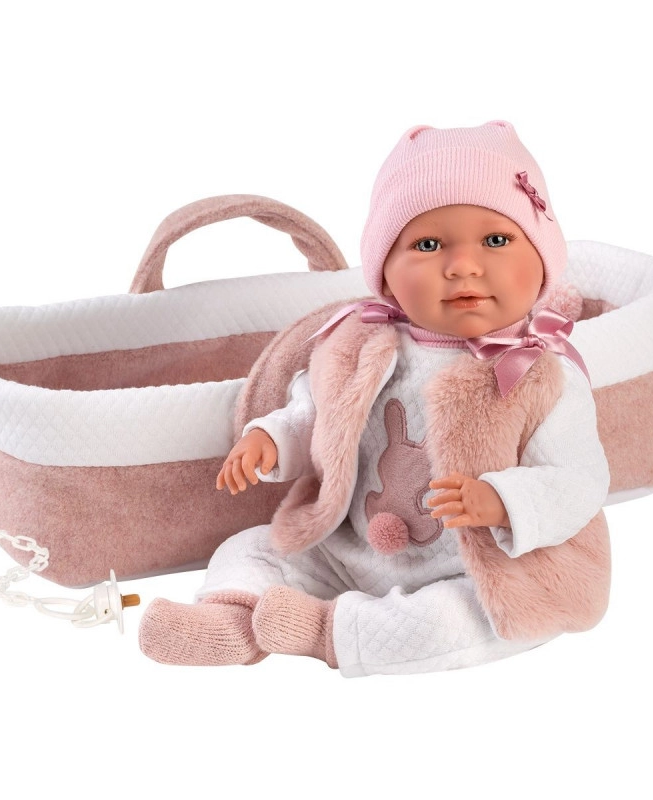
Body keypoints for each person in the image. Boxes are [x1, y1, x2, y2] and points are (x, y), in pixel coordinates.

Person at [139, 121, 611, 677]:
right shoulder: (361, 344)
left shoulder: (537, 371)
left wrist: (503, 500)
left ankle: (321, 631)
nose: (463, 265)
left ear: (543, 259)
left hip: (481, 568)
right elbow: (316, 413)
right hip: (354, 549)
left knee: (457, 623)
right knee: (253, 545)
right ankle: (231, 620)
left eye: (496, 240)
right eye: (428, 245)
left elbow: (578, 479)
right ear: (385, 270)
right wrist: (272, 439)